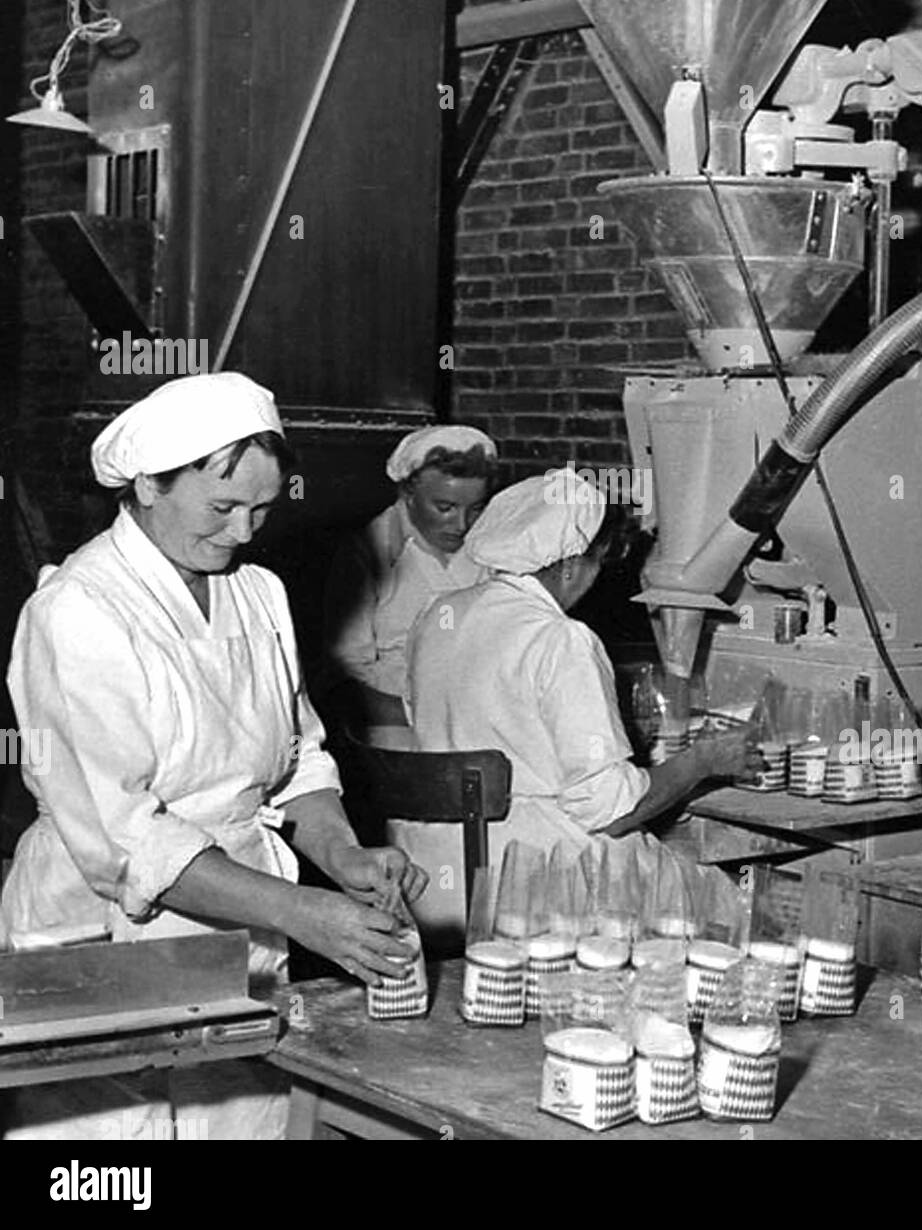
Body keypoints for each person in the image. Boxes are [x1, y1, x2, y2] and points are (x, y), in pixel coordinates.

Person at [0, 372, 425, 1141]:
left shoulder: (257, 594)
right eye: (222, 507)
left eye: (261, 510)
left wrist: (343, 854)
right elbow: (125, 839)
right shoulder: (77, 610)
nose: (243, 533)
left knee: (242, 1123)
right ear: (149, 485)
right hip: (105, 930)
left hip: (240, 926)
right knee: (114, 1158)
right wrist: (299, 910)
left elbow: (295, 760)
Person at [403, 467, 746, 939]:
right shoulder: (560, 639)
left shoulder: (437, 614)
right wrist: (703, 761)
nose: (594, 578)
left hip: (438, 874)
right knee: (728, 902)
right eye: (596, 563)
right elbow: (611, 809)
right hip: (533, 883)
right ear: (568, 564)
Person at [322, 425, 497, 734]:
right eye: (444, 508)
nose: (462, 525)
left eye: (475, 509)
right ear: (408, 494)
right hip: (393, 723)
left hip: (482, 716)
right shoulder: (368, 551)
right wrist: (423, 720)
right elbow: (344, 677)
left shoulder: (495, 548)